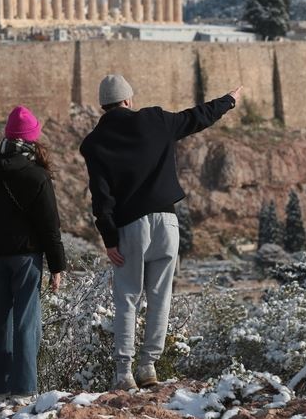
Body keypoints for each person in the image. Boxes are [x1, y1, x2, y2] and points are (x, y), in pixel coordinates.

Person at [80, 75, 243, 390]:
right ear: (128, 100)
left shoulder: (94, 143)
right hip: (167, 222)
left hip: (129, 226)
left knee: (127, 297)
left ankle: (123, 372)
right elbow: (196, 118)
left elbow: (100, 195)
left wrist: (109, 237)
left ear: (103, 106)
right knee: (160, 295)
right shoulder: (154, 120)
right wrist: (229, 100)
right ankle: (148, 367)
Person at [0, 105, 66, 401]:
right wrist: (57, 266)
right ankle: (24, 390)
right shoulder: (36, 175)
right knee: (27, 321)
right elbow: (50, 225)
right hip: (26, 257)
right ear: (32, 139)